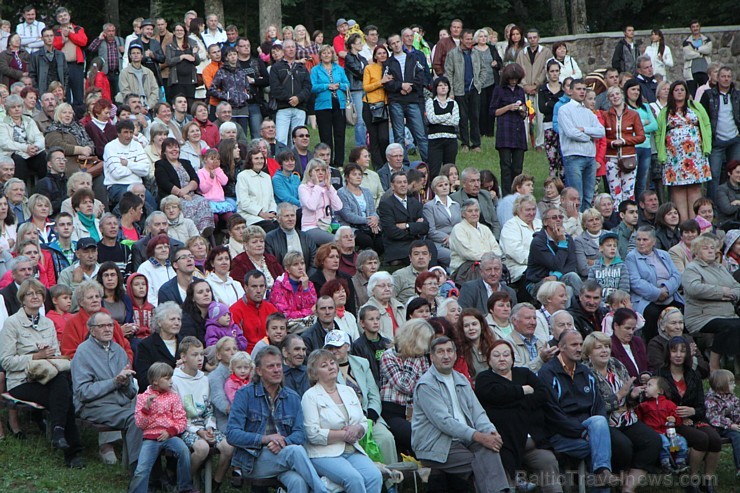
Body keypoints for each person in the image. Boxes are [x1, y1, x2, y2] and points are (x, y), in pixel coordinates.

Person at [0, 279, 84, 468]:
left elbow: (54, 355)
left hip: (47, 376)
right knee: (64, 395)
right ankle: (72, 451)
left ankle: (59, 433)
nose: (35, 296)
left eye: (39, 293)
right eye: (30, 294)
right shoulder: (12, 323)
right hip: (21, 381)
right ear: (22, 299)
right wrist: (35, 356)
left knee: (61, 386)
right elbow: (6, 361)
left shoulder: (47, 323)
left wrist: (49, 356)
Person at [226, 345, 328, 492]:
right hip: (254, 460)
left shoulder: (292, 397)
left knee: (298, 482)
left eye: (279, 365)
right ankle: (322, 491)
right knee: (296, 451)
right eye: (271, 366)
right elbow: (232, 434)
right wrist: (265, 439)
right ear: (259, 371)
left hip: (283, 455)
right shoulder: (245, 395)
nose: (276, 370)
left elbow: (300, 433)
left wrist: (284, 442)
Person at [475, 339, 565, 493]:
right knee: (504, 468)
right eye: (496, 355)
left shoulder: (524, 373)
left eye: (506, 355)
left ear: (512, 358)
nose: (502, 358)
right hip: (505, 444)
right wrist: (523, 391)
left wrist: (512, 402)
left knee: (548, 461)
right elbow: (495, 395)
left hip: (533, 443)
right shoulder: (484, 378)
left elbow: (543, 394)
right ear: (489, 360)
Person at [581, 332, 662, 491]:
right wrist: (619, 396)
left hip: (627, 418)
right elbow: (592, 405)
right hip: (605, 424)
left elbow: (629, 394)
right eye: (598, 348)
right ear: (589, 352)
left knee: (653, 441)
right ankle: (613, 480)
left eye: (607, 346)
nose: (604, 351)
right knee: (623, 447)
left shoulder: (616, 364)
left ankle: (628, 488)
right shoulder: (585, 372)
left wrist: (632, 395)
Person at [538, 330, 616, 487]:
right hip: (559, 435)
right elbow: (552, 414)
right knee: (601, 446)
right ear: (561, 347)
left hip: (587, 429)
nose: (579, 348)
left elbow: (598, 405)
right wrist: (582, 432)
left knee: (600, 424)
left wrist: (591, 432)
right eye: (574, 345)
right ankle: (602, 473)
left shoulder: (584, 371)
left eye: (581, 344)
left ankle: (602, 473)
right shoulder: (547, 373)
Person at [301, 349, 384, 492]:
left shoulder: (349, 391)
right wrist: (342, 434)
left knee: (374, 476)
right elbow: (312, 434)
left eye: (332, 363)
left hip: (352, 450)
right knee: (354, 479)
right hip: (324, 453)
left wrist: (357, 429)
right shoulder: (310, 396)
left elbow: (363, 422)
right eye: (324, 365)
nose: (330, 366)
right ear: (314, 373)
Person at [71, 311, 142, 468]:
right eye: (101, 326)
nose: (107, 329)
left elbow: (130, 393)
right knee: (135, 418)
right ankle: (139, 471)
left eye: (110, 325)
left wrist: (124, 384)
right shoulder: (83, 352)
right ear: (92, 330)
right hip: (94, 406)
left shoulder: (119, 350)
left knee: (149, 414)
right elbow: (83, 392)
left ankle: (152, 468)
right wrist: (114, 382)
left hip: (120, 403)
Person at [657, 336, 722, 493]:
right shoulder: (659, 375)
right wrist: (680, 417)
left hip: (694, 419)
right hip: (671, 423)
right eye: (674, 351)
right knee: (701, 439)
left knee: (714, 439)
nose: (678, 354)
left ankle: (708, 480)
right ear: (668, 353)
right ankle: (691, 479)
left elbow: (701, 406)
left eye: (683, 351)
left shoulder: (693, 375)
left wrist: (692, 412)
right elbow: (657, 405)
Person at [171, 337, 234, 490]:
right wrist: (198, 431)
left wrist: (210, 427)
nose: (200, 358)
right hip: (185, 427)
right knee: (202, 448)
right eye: (194, 355)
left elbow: (208, 407)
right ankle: (185, 482)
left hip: (205, 425)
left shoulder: (204, 379)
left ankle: (215, 484)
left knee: (228, 446)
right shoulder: (175, 380)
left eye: (201, 354)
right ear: (183, 357)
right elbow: (178, 414)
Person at [129, 362, 194, 493]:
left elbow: (181, 419)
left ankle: (184, 487)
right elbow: (140, 424)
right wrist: (146, 408)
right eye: (167, 378)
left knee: (184, 451)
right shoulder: (143, 398)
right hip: (150, 438)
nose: (171, 381)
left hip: (169, 435)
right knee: (142, 468)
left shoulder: (173, 397)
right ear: (155, 382)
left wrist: (170, 432)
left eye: (171, 377)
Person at [682, 235, 740, 371]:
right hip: (702, 316)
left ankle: (736, 367)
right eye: (705, 248)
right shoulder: (692, 268)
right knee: (729, 326)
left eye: (712, 248)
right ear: (696, 252)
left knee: (734, 323)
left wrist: (731, 295)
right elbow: (694, 288)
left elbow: (737, 286)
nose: (710, 251)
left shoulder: (720, 268)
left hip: (727, 314)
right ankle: (714, 364)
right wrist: (721, 293)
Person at [656, 80, 712, 221]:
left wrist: (707, 146)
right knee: (678, 189)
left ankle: (696, 223)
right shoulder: (665, 111)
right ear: (671, 93)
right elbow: (659, 132)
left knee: (694, 188)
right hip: (674, 157)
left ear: (686, 92)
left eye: (682, 89)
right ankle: (683, 224)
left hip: (695, 156)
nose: (679, 92)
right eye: (676, 90)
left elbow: (706, 125)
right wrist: (661, 152)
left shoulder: (696, 107)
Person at [379, 318, 433, 454]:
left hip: (416, 411)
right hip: (393, 412)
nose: (425, 350)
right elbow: (405, 386)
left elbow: (427, 384)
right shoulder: (388, 356)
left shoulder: (421, 357)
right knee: (417, 437)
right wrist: (412, 358)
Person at [626, 226, 684, 342]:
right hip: (646, 300)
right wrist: (658, 293)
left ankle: (681, 346)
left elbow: (676, 276)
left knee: (682, 310)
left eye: (645, 240)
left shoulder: (664, 255)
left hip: (668, 295)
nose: (641, 243)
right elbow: (636, 282)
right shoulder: (631, 257)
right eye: (638, 239)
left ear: (653, 241)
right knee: (653, 314)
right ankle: (654, 347)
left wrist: (666, 289)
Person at [155, 137, 215, 235]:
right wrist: (181, 194)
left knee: (203, 201)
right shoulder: (161, 165)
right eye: (170, 147)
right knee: (187, 205)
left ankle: (204, 232)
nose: (174, 150)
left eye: (176, 147)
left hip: (190, 194)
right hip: (173, 197)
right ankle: (190, 233)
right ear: (164, 152)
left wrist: (186, 190)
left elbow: (195, 179)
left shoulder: (185, 162)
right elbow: (165, 184)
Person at [383, 34, 428, 162]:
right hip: (396, 101)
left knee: (421, 134)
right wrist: (400, 86)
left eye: (398, 41)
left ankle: (429, 164)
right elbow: (386, 82)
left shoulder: (413, 58)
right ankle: (403, 164)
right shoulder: (388, 63)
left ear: (401, 42)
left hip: (413, 100)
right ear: (390, 46)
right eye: (393, 43)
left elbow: (421, 76)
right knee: (399, 135)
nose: (396, 45)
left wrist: (411, 86)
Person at [635, 375, 690, 473]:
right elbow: (638, 419)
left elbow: (678, 420)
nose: (645, 388)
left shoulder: (669, 404)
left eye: (649, 385)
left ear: (660, 390)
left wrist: (674, 419)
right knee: (664, 442)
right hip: (654, 433)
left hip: (669, 432)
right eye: (646, 385)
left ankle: (681, 462)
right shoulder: (644, 406)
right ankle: (665, 463)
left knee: (681, 441)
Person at [701, 66, 740, 202]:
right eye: (723, 76)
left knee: (736, 173)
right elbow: (703, 116)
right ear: (717, 78)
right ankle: (712, 204)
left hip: (735, 139)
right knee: (714, 174)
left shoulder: (737, 95)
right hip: (716, 140)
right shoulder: (708, 95)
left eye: (728, 76)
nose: (726, 79)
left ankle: (733, 202)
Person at [490, 63, 527, 196]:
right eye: (511, 79)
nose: (514, 81)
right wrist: (508, 107)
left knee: (518, 167)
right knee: (505, 167)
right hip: (505, 131)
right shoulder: (499, 90)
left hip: (518, 132)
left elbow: (524, 112)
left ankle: (518, 193)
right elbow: (493, 112)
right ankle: (506, 194)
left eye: (516, 79)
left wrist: (523, 110)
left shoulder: (520, 91)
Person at [444, 30, 483, 153]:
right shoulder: (453, 54)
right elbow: (448, 73)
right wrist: (451, 91)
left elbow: (483, 69)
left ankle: (476, 144)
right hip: (460, 90)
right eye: (467, 39)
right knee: (463, 118)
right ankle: (465, 143)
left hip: (474, 89)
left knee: (475, 117)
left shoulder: (476, 53)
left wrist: (479, 83)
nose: (469, 41)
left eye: (471, 39)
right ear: (461, 39)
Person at [270, 39, 312, 146]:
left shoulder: (302, 68)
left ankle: (297, 162)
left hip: (300, 108)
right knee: (281, 139)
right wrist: (290, 99)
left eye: (293, 47)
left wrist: (298, 98)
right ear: (283, 50)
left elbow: (308, 87)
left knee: (298, 140)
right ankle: (279, 162)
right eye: (288, 47)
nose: (291, 49)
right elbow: (275, 88)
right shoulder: (276, 67)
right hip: (283, 108)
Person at [449, 199, 503, 277]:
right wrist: (488, 259)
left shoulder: (485, 228)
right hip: (465, 270)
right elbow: (467, 253)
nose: (474, 213)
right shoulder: (458, 229)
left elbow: (496, 249)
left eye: (476, 210)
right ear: (463, 214)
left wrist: (489, 261)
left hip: (488, 266)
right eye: (470, 211)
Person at [336, 163, 382, 252]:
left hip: (368, 225)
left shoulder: (367, 192)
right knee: (366, 241)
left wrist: (375, 219)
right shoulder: (341, 193)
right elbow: (348, 215)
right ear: (347, 177)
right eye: (354, 174)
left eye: (360, 174)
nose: (358, 177)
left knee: (380, 242)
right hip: (351, 226)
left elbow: (373, 211)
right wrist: (369, 221)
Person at [0, 94, 46, 181]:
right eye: (13, 107)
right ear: (8, 109)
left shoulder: (29, 120)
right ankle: (20, 189)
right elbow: (5, 143)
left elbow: (40, 138)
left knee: (43, 156)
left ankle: (43, 188)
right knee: (18, 160)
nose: (17, 109)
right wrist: (26, 148)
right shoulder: (3, 123)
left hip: (30, 153)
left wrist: (35, 147)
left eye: (19, 106)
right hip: (12, 154)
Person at [298, 158, 343, 245]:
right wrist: (317, 185)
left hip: (326, 226)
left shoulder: (326, 187)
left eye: (323, 170)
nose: (321, 172)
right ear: (310, 172)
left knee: (347, 237)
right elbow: (312, 206)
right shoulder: (303, 188)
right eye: (317, 170)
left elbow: (338, 206)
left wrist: (329, 186)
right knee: (338, 241)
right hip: (311, 227)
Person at [231, 270, 279, 351]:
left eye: (262, 286)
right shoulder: (235, 311)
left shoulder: (271, 309)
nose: (259, 290)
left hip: (270, 354)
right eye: (254, 286)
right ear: (246, 288)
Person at [705, 369, 740, 477]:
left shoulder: (732, 397)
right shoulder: (711, 399)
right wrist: (730, 425)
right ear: (721, 385)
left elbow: (737, 410)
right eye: (731, 383)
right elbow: (713, 417)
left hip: (730, 426)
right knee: (737, 437)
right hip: (715, 427)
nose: (734, 385)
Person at [362, 45, 391, 168]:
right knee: (374, 138)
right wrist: (381, 82)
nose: (382, 55)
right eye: (379, 53)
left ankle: (386, 164)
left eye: (384, 53)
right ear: (375, 56)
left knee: (384, 138)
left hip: (384, 106)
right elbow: (366, 87)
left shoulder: (390, 68)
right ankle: (378, 166)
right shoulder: (369, 68)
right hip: (370, 106)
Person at [29, 27, 68, 95]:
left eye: (51, 35)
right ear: (42, 38)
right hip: (43, 90)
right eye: (46, 36)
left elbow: (66, 74)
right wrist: (37, 90)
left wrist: (64, 88)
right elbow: (32, 75)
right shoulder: (36, 56)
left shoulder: (60, 55)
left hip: (58, 90)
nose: (49, 38)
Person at [682, 21, 713, 97]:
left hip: (705, 70)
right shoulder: (686, 42)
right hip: (692, 72)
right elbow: (688, 54)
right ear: (691, 29)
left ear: (699, 27)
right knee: (692, 95)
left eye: (697, 26)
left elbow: (708, 49)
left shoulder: (707, 39)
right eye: (693, 27)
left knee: (706, 94)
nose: (695, 28)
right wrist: (700, 53)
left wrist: (695, 49)